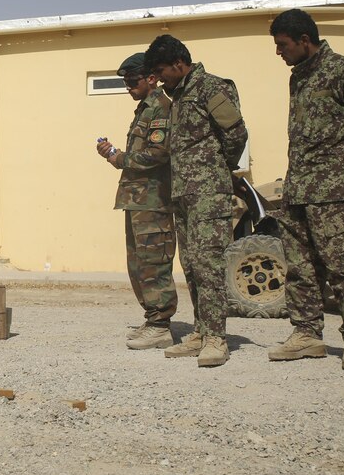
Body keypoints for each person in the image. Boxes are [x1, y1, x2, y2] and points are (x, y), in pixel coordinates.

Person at [266, 9, 344, 371]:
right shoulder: (298, 79)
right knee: (300, 269)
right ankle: (307, 334)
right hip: (299, 189)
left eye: (283, 45)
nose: (279, 52)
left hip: (336, 191)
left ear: (305, 40)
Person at [145, 35, 247, 367]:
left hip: (208, 192)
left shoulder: (211, 88)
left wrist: (218, 169)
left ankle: (217, 338)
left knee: (209, 264)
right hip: (183, 194)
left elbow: (236, 134)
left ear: (179, 63)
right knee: (191, 265)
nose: (160, 79)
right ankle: (201, 332)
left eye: (162, 71)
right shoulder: (177, 97)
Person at [96, 52, 178, 350]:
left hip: (153, 201)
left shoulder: (161, 108)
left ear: (151, 79)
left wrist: (119, 158)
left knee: (154, 263)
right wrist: (113, 153)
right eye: (126, 82)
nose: (128, 87)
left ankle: (161, 326)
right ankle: (153, 318)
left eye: (132, 81)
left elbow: (158, 153)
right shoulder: (144, 110)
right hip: (137, 200)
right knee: (139, 264)